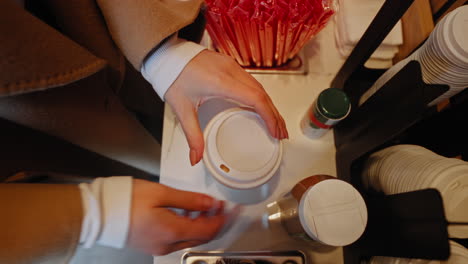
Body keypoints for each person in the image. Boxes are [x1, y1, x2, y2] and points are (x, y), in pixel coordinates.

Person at [0, 0, 288, 263]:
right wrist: (95, 214)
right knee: (114, 152)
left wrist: (162, 53)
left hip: (103, 37)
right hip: (33, 144)